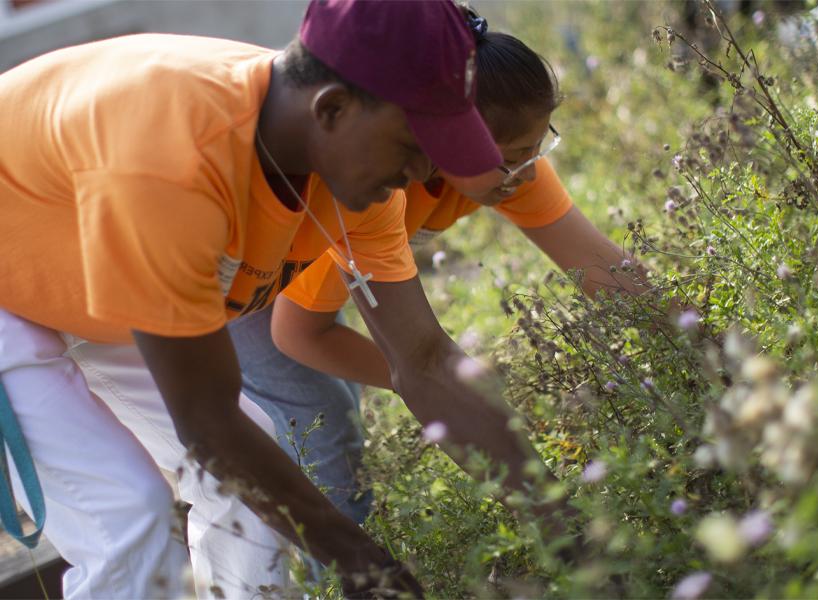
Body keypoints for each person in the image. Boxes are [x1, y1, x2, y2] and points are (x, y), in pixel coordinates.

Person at [0, 1, 524, 597]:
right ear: (332, 108)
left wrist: (552, 508)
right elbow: (208, 422)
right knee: (128, 517)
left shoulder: (361, 176)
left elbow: (423, 358)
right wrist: (364, 564)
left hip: (80, 274)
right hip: (11, 287)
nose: (423, 171)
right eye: (413, 146)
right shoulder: (173, 159)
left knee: (247, 486)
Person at [227, 9, 647, 528]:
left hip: (286, 283)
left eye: (538, 148)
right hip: (247, 294)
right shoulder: (369, 189)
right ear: (449, 139)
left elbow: (599, 264)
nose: (526, 171)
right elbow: (299, 333)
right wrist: (455, 391)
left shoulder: (512, 169)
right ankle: (329, 571)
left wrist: (703, 341)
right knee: (326, 422)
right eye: (512, 156)